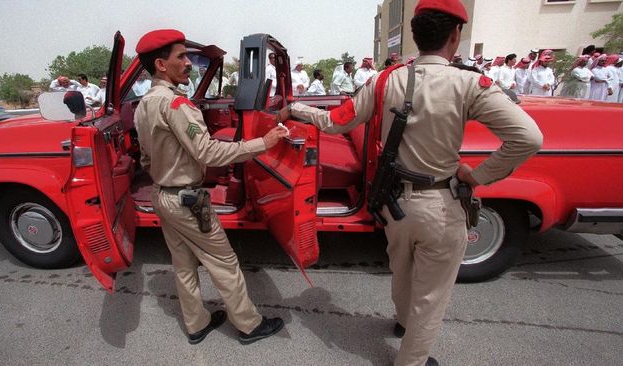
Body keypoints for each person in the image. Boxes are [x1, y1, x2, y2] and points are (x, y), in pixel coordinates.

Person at [275, 1, 542, 364]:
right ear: (455, 35)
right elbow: (528, 138)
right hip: (442, 204)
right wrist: (478, 176)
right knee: (431, 295)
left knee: (401, 268)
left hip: (395, 202)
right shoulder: (470, 83)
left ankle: (402, 321)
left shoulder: (386, 79)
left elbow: (335, 122)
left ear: (415, 37)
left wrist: (296, 109)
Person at [132, 29, 287, 346]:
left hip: (162, 196)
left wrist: (167, 171)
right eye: (182, 56)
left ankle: (197, 323)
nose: (188, 62)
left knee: (184, 265)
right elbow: (209, 152)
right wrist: (263, 143)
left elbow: (146, 158)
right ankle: (248, 325)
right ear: (162, 65)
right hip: (188, 201)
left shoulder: (144, 105)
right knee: (225, 263)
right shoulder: (176, 105)